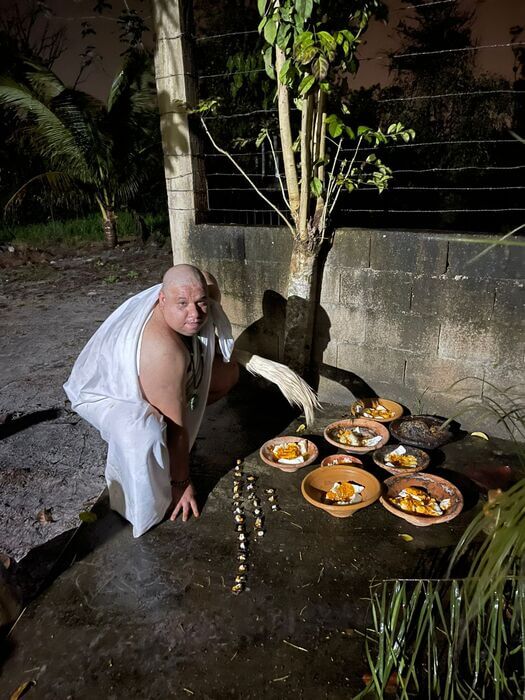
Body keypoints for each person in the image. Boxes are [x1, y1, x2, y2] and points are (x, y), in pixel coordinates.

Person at [64, 264, 238, 537]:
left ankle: (168, 400)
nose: (195, 314)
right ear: (162, 299)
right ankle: (142, 508)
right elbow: (176, 427)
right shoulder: (164, 353)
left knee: (228, 374)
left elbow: (205, 290)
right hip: (103, 393)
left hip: (158, 373)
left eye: (201, 302)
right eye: (182, 304)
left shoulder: (194, 291)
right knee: (146, 432)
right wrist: (181, 482)